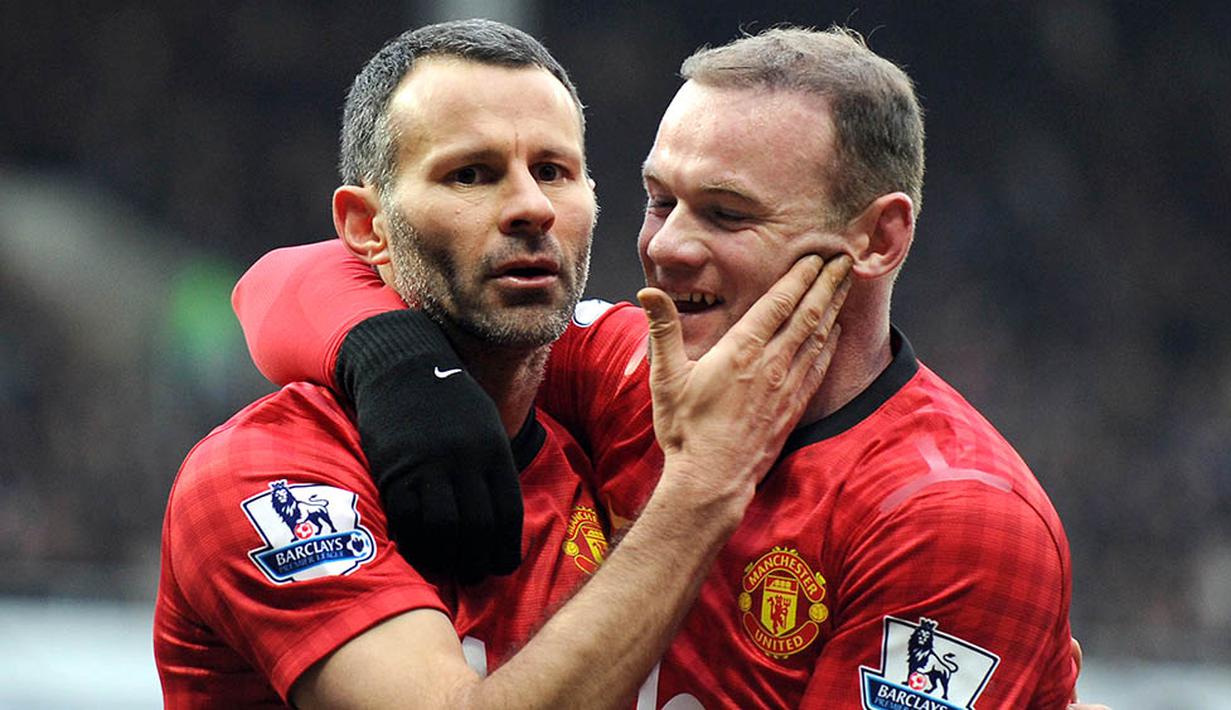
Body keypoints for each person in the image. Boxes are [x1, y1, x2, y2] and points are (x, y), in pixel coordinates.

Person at [235, 25, 1101, 709]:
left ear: (877, 238)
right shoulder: (632, 369)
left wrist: (701, 487)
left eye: (726, 214)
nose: (665, 247)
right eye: (659, 200)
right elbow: (293, 278)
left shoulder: (951, 520)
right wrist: (389, 357)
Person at [154, 19, 851, 709]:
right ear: (367, 228)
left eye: (553, 171)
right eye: (471, 175)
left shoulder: (596, 376)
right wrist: (696, 496)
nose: (531, 207)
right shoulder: (261, 476)